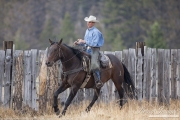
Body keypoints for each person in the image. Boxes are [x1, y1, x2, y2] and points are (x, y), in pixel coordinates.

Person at [74, 15, 104, 89]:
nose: (88, 23)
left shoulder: (96, 32)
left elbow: (94, 43)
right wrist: (79, 43)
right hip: (87, 49)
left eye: (90, 22)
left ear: (93, 23)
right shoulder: (87, 31)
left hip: (94, 50)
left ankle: (98, 80)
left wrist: (83, 41)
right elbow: (86, 42)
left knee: (94, 63)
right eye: (88, 22)